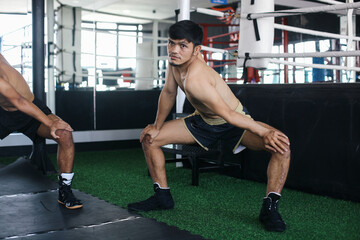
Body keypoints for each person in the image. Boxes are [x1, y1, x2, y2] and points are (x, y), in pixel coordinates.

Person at [127, 20, 291, 232]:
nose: (174, 50)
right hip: (203, 121)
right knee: (150, 139)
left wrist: (264, 131)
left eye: (182, 45)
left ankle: (270, 208)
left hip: (234, 122)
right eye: (171, 43)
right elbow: (168, 92)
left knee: (282, 146)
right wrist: (156, 125)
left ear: (197, 50)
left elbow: (229, 115)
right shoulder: (175, 63)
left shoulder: (197, 79)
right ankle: (163, 197)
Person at [0, 53, 82, 209]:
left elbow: (19, 101)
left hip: (28, 107)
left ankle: (65, 190)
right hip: (3, 111)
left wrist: (50, 123)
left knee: (64, 134)